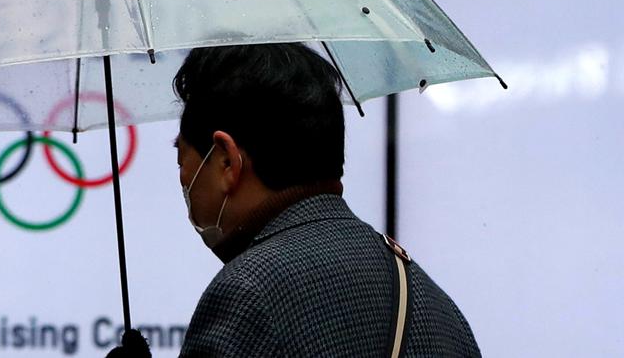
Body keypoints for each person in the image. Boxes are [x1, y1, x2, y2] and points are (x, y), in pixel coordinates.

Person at [109, 42, 481, 357]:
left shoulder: (249, 294)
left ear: (226, 160)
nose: (185, 182)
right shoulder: (434, 305)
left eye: (182, 160)